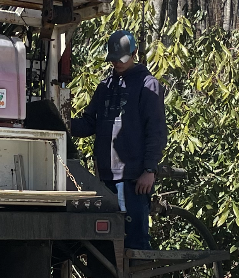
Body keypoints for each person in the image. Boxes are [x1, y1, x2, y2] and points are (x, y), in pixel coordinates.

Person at [69, 27, 167, 249]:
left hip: (133, 179)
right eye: (113, 59)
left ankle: (138, 272)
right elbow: (89, 123)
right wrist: (63, 122)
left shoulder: (147, 85)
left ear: (134, 54)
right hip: (105, 178)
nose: (117, 63)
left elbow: (156, 130)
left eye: (121, 59)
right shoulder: (106, 86)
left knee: (134, 242)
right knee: (106, 243)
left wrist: (149, 170)